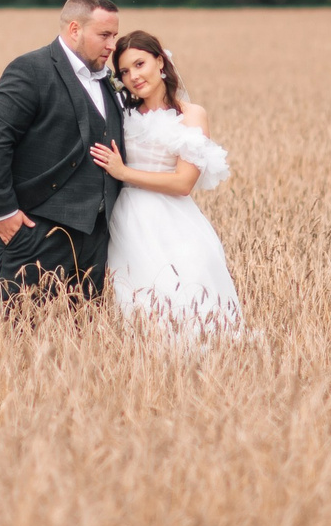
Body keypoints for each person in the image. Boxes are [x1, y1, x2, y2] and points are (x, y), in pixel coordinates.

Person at [0, 0, 128, 306]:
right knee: (26, 337)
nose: (112, 45)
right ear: (74, 30)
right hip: (35, 231)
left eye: (115, 35)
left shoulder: (107, 79)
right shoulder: (31, 69)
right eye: (104, 35)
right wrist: (3, 213)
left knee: (82, 341)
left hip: (95, 239)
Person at [92, 31, 243, 339]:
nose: (133, 76)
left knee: (186, 300)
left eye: (140, 64)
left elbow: (184, 182)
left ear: (159, 61)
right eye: (124, 71)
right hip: (127, 221)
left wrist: (124, 172)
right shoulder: (123, 113)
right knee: (138, 305)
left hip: (173, 220)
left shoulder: (191, 115)